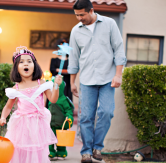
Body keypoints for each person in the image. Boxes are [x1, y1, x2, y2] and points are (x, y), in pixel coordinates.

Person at [68, 0, 127, 162]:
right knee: (86, 116)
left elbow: (119, 49)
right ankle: (86, 151)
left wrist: (118, 74)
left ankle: (97, 147)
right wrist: (72, 82)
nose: (79, 18)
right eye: (76, 15)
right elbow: (74, 58)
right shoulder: (75, 31)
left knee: (106, 112)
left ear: (91, 10)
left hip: (108, 79)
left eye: (82, 14)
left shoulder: (109, 24)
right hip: (87, 80)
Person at [0, 46, 63, 163]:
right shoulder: (16, 88)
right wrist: (3, 117)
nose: (26, 64)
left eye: (29, 61)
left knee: (36, 151)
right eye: (22, 62)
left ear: (35, 66)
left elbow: (53, 100)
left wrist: (56, 86)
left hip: (38, 124)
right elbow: (8, 106)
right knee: (20, 150)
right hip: (21, 125)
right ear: (16, 68)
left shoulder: (41, 83)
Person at [48, 77, 74, 160]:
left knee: (61, 140)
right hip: (51, 124)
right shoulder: (51, 99)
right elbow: (49, 109)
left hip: (61, 125)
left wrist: (69, 117)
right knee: (50, 139)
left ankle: (61, 151)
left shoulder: (64, 100)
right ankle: (50, 151)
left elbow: (68, 111)